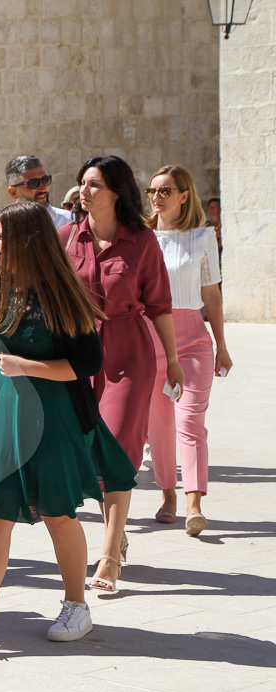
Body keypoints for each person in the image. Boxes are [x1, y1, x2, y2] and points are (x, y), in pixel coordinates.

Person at [0, 202, 137, 654]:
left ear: (28, 240)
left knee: (57, 513)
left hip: (54, 416)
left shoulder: (62, 294)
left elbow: (87, 363)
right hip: (1, 412)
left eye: (2, 236)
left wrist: (27, 366)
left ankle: (76, 606)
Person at [62, 155, 182, 595]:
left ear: (116, 191)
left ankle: (110, 554)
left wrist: (172, 359)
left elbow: (160, 305)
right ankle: (118, 530)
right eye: (82, 183)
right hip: (78, 353)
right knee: (89, 453)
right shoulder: (65, 238)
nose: (84, 191)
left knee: (117, 448)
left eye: (94, 184)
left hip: (129, 353)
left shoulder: (142, 241)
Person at [145, 166, 232, 537]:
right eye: (152, 191)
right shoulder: (141, 238)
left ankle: (194, 503)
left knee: (190, 421)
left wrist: (222, 346)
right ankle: (168, 495)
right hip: (151, 339)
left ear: (184, 195)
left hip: (194, 340)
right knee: (159, 425)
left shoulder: (203, 236)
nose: (157, 197)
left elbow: (211, 293)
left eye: (165, 191)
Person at [0, 155, 74, 235]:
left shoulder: (71, 221)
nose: (43, 188)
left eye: (45, 180)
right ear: (14, 192)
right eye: (33, 183)